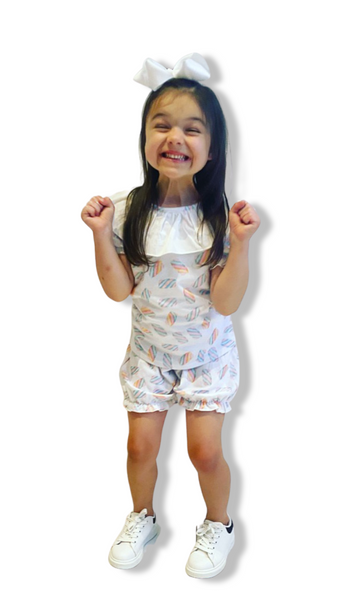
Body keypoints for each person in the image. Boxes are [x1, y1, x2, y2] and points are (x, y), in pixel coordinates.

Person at [81, 54, 260, 579]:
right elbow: (119, 290)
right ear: (144, 137)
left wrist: (242, 244)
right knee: (139, 446)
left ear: (212, 147)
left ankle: (219, 523)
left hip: (206, 357)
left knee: (205, 453)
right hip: (149, 356)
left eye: (191, 128)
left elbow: (226, 303)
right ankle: (142, 516)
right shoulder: (127, 210)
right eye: (161, 125)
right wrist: (100, 235)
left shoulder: (220, 217)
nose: (174, 137)